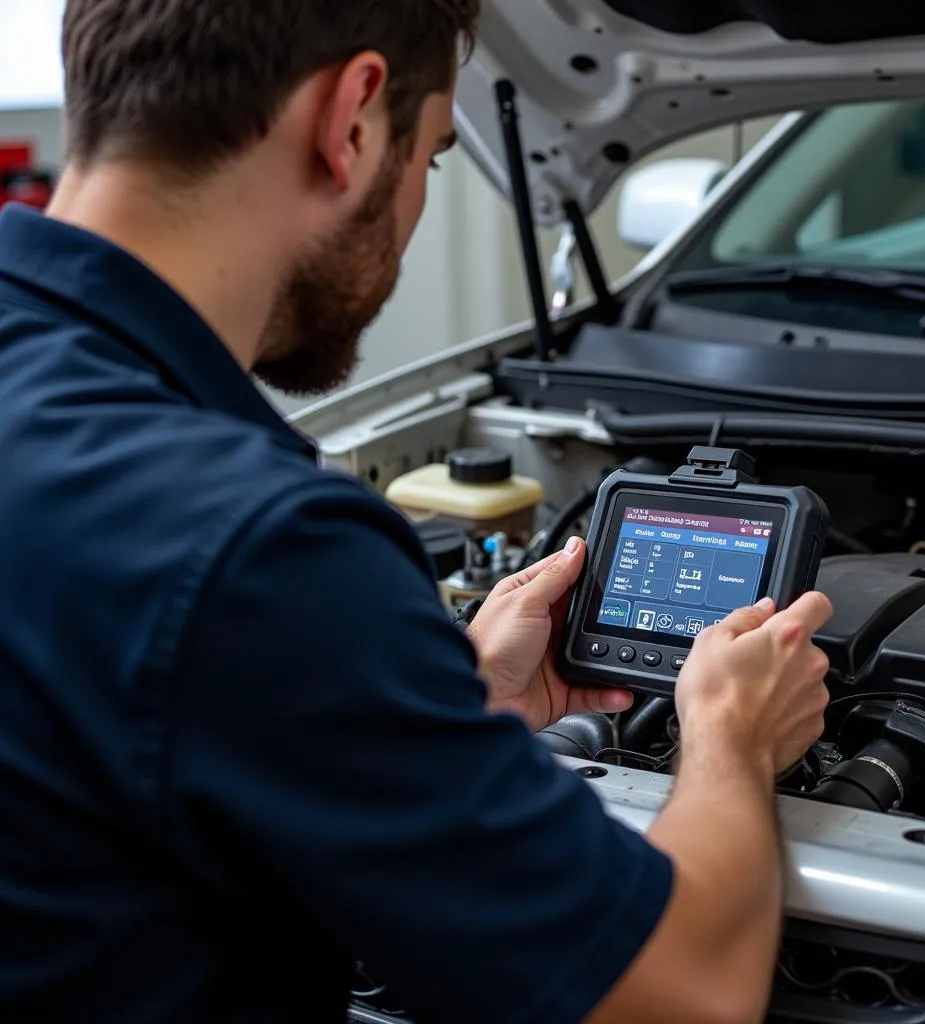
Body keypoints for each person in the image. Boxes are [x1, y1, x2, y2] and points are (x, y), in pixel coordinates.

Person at [0, 2, 833, 1022]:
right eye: (433, 157)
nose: (415, 204)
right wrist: (733, 737)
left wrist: (451, 701)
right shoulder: (255, 548)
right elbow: (686, 997)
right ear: (351, 120)